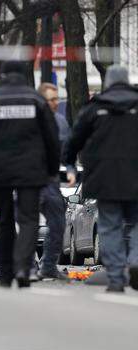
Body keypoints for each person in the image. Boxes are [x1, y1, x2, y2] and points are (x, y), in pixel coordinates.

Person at [0, 61, 60, 288]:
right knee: (29, 219)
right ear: (25, 75)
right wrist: (51, 169)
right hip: (31, 170)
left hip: (0, 170)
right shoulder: (36, 100)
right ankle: (23, 267)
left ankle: (4, 273)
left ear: (3, 75)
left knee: (3, 220)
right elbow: (52, 138)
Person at [66, 65, 138, 293]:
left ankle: (116, 278)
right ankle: (136, 261)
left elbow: (75, 139)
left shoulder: (95, 107)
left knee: (110, 227)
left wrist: (68, 162)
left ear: (108, 83)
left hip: (104, 179)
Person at [34, 83, 70, 281]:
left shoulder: (61, 122)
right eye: (52, 99)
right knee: (27, 226)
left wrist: (71, 168)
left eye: (58, 98)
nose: (57, 103)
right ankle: (27, 266)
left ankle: (48, 265)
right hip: (29, 180)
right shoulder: (29, 121)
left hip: (51, 180)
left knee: (58, 223)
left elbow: (67, 151)